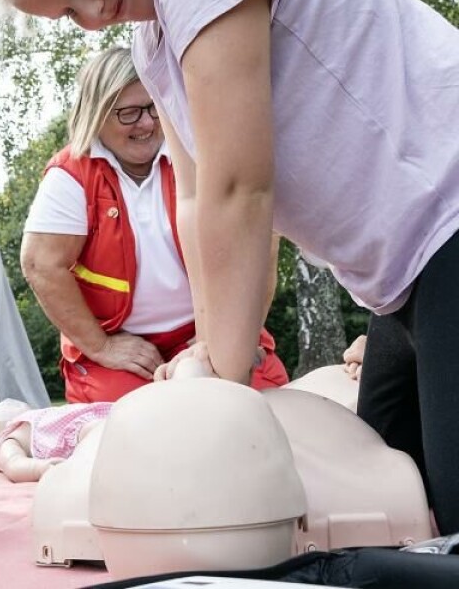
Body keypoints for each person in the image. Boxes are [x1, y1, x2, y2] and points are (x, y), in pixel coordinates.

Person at [0, 0, 459, 535]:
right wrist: (208, 352)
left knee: (438, 518)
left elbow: (240, 191)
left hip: (447, 217)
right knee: (389, 507)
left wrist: (220, 401)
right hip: (403, 275)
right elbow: (197, 196)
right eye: (67, 13)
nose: (91, 15)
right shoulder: (151, 44)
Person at [20, 46, 287, 403]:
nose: (146, 124)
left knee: (261, 409)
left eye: (153, 108)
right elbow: (40, 264)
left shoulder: (199, 151)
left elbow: (260, 242)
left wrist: (225, 333)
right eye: (129, 113)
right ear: (96, 114)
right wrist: (101, 347)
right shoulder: (72, 175)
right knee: (132, 430)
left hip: (210, 329)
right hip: (123, 348)